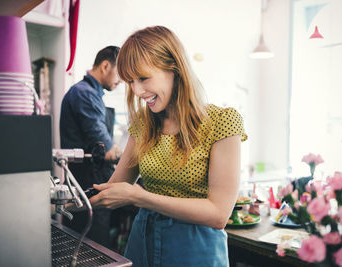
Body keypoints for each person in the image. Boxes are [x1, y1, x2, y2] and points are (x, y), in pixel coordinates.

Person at [90, 26, 248, 266]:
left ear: (174, 68)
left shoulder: (222, 122)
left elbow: (218, 214)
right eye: (130, 82)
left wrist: (140, 197)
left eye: (143, 78)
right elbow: (113, 189)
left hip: (196, 250)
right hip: (143, 241)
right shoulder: (144, 123)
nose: (138, 91)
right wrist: (53, 204)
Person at [59, 45, 122, 247]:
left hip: (88, 178)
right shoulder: (85, 94)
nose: (121, 80)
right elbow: (106, 149)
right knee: (93, 245)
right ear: (105, 66)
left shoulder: (89, 93)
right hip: (89, 182)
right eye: (119, 73)